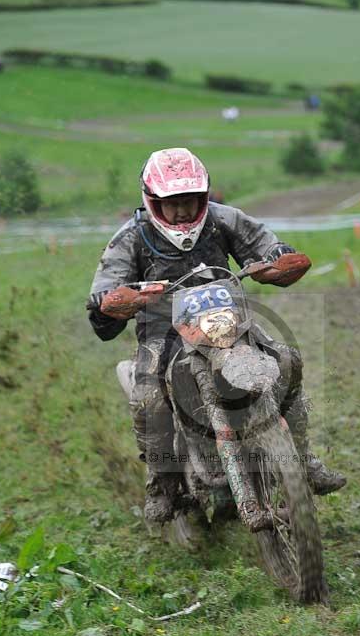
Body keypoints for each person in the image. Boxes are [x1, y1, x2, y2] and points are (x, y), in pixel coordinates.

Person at [87, 147, 345, 523]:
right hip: (164, 334)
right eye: (171, 204)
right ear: (153, 202)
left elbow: (265, 244)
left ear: (203, 197)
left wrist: (276, 258)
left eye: (189, 201)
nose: (181, 212)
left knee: (287, 359)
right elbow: (106, 288)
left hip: (228, 323)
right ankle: (162, 482)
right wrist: (114, 299)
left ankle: (302, 459)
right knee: (149, 399)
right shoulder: (130, 237)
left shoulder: (223, 220)